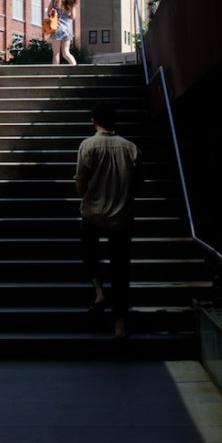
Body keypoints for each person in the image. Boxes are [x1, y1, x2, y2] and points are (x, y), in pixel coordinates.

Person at [74, 100, 142, 340]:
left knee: (89, 254)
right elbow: (138, 184)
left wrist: (90, 194)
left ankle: (99, 291)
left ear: (94, 122)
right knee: (121, 270)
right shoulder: (130, 148)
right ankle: (120, 325)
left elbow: (80, 184)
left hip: (93, 212)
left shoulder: (88, 146)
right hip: (122, 216)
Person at [47, 0, 78, 65]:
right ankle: (75, 68)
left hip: (57, 27)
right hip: (67, 29)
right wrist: (66, 17)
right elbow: (73, 17)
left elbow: (49, 11)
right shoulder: (70, 0)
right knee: (66, 53)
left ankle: (56, 74)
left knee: (56, 53)